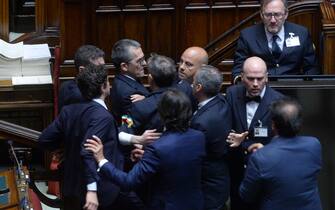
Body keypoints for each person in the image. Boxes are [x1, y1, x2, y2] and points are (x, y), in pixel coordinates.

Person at [39, 64, 143, 210]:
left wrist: (66, 148)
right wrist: (92, 190)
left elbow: (44, 140)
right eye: (108, 81)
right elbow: (87, 151)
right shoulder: (102, 116)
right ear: (103, 87)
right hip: (102, 187)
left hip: (74, 185)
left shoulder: (68, 111)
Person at [85, 89, 206, 210]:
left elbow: (128, 182)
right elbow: (179, 159)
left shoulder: (157, 146)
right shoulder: (199, 137)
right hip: (194, 203)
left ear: (162, 113)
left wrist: (101, 160)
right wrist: (148, 157)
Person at [240, 97, 322, 210]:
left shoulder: (260, 157)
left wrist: (264, 153)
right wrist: (266, 152)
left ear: (273, 125)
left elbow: (246, 195)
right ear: (299, 123)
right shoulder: (314, 144)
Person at [225, 56, 284, 210]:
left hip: (265, 171)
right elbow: (227, 128)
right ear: (242, 77)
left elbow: (281, 141)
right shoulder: (231, 93)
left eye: (259, 78)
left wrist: (248, 145)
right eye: (251, 79)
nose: (255, 84)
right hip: (236, 170)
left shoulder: (279, 101)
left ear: (266, 78)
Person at [232, 0, 319, 80]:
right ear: (261, 15)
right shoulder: (247, 35)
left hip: (293, 87)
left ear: (286, 14)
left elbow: (311, 67)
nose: (273, 20)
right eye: (268, 15)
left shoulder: (301, 33)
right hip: (261, 88)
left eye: (277, 14)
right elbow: (239, 68)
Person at [191, 65, 232, 210]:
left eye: (193, 82)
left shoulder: (200, 122)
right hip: (221, 176)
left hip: (208, 183)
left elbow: (193, 154)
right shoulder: (221, 101)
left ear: (198, 87)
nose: (191, 84)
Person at [120, 54, 176, 137]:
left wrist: (125, 115)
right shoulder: (184, 99)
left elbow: (124, 131)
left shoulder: (139, 106)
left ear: (150, 78)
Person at [110, 39, 149, 124]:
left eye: (144, 59)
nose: (145, 63)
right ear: (124, 66)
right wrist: (148, 100)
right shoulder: (126, 94)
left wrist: (147, 98)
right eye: (139, 61)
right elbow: (129, 124)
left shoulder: (128, 78)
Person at [58, 45, 105, 111]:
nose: (103, 72)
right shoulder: (81, 97)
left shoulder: (66, 85)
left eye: (103, 67)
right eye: (98, 68)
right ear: (82, 70)